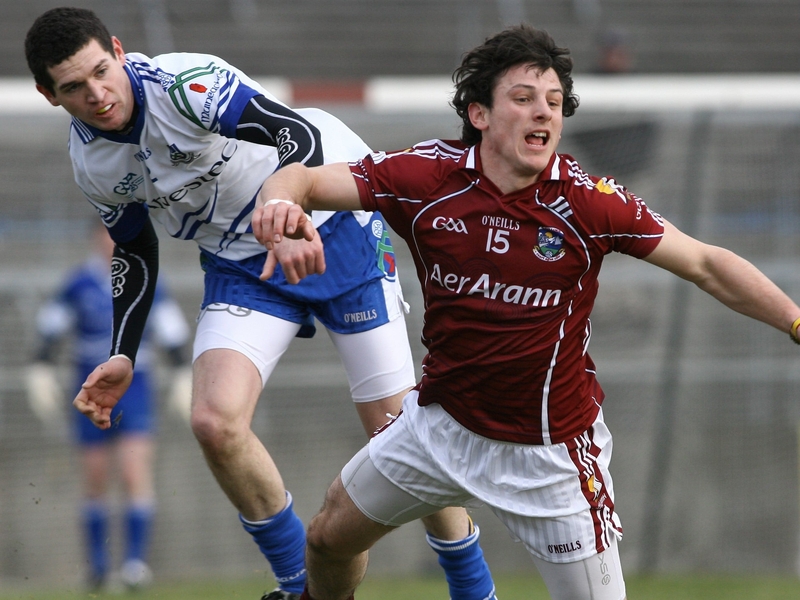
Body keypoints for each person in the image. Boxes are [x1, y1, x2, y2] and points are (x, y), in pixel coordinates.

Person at [252, 24, 800, 600]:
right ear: (480, 114)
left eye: (555, 102)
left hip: (549, 458)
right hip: (440, 427)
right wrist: (279, 206)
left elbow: (707, 263)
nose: (544, 112)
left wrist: (794, 320)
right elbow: (301, 178)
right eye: (524, 97)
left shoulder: (588, 202)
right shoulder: (426, 177)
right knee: (327, 539)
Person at [24, 8, 496, 600]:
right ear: (49, 95)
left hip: (332, 225)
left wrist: (289, 214)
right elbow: (134, 249)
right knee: (213, 421)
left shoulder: (184, 84)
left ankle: (474, 589)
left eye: (101, 71)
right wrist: (123, 352)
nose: (97, 94)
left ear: (118, 51)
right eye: (74, 87)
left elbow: (296, 135)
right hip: (241, 261)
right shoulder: (91, 161)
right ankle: (300, 586)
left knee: (398, 435)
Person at [25, 221, 191, 591]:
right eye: (105, 235)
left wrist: (182, 373)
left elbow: (172, 333)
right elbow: (50, 330)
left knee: (134, 472)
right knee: (95, 476)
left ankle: (135, 565)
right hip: (89, 387)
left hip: (136, 387)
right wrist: (40, 368)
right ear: (94, 239)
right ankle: (98, 568)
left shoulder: (146, 280)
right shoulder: (78, 284)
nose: (110, 243)